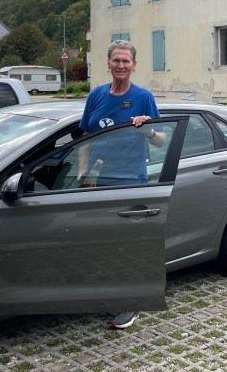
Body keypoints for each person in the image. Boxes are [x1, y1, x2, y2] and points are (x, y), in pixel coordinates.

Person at [77, 39, 165, 330]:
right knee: (103, 241)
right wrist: (82, 173)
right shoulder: (96, 95)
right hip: (99, 182)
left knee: (128, 243)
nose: (121, 65)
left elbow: (161, 139)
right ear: (108, 63)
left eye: (126, 61)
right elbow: (85, 138)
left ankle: (131, 302)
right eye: (116, 60)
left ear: (134, 65)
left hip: (130, 182)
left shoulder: (143, 97)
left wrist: (147, 129)